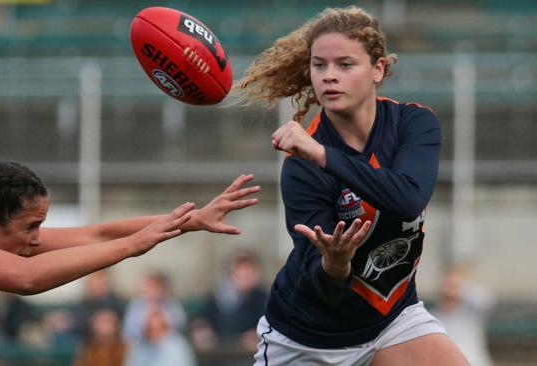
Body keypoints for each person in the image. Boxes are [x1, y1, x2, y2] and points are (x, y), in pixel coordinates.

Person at [234, 6, 469, 365]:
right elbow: (324, 287)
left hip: (393, 320)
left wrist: (324, 155)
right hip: (307, 339)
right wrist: (337, 263)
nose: (329, 76)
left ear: (378, 70)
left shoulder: (414, 124)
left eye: (345, 65)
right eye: (319, 65)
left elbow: (408, 198)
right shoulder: (300, 166)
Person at [0, 160, 260, 364]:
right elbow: (26, 278)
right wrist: (133, 246)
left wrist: (190, 221)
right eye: (31, 226)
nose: (38, 238)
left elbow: (96, 235)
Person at [190, 250, 269, 352]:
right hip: (219, 351)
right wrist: (201, 328)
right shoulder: (218, 294)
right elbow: (202, 318)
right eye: (240, 271)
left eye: (248, 271)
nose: (244, 275)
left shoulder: (263, 297)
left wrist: (258, 334)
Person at [432, 266, 496, 366]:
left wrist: (461, 286)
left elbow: (487, 299)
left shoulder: (470, 314)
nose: (449, 297)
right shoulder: (432, 317)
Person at [125, 305, 198, 366]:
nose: (155, 333)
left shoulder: (178, 345)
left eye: (160, 328)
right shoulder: (139, 347)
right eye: (150, 329)